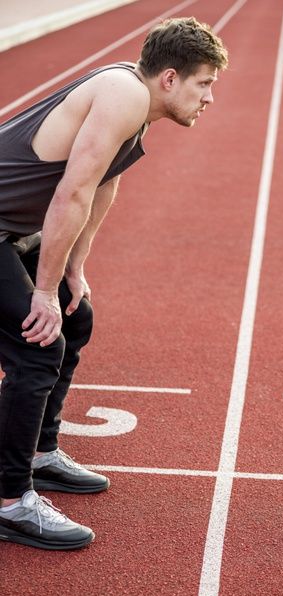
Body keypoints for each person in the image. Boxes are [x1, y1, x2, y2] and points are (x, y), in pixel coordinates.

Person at [0, 16, 228, 550]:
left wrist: (73, 271)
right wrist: (41, 292)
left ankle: (39, 452)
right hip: (6, 229)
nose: (211, 97)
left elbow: (103, 185)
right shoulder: (124, 93)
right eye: (205, 83)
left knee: (74, 316)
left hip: (12, 229)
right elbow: (71, 194)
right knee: (38, 345)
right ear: (169, 78)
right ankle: (10, 502)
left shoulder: (138, 102)